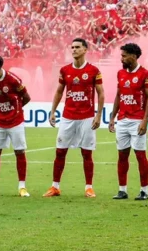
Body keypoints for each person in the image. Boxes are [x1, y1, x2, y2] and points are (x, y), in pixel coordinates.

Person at [43, 39, 104, 197]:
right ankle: (55, 186)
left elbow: (101, 93)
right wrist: (52, 111)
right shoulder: (65, 70)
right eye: (72, 47)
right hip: (68, 117)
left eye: (77, 47)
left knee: (86, 153)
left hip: (87, 117)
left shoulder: (93, 70)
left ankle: (88, 187)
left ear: (85, 50)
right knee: (60, 151)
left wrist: (98, 115)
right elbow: (59, 91)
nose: (74, 50)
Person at [0, 54, 31, 198]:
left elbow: (26, 98)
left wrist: (14, 110)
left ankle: (22, 187)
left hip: (15, 122)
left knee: (19, 152)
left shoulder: (13, 80)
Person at [108, 43, 148, 201]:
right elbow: (118, 95)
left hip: (137, 120)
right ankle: (122, 190)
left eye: (124, 55)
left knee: (140, 155)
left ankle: (144, 190)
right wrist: (113, 117)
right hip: (122, 120)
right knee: (122, 155)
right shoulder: (120, 73)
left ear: (133, 56)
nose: (122, 58)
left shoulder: (145, 74)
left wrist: (144, 120)